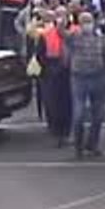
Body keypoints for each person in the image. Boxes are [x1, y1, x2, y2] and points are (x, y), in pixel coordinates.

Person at [65, 12, 105, 158]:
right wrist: (62, 22)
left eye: (89, 21)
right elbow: (63, 34)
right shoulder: (74, 37)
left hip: (98, 77)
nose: (88, 24)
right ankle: (78, 146)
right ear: (79, 24)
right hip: (79, 79)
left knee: (98, 115)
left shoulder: (100, 38)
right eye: (84, 22)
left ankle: (93, 144)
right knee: (79, 115)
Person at [33, 10, 72, 147]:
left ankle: (66, 132)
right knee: (53, 105)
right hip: (51, 73)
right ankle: (57, 133)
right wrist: (48, 69)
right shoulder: (46, 35)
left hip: (68, 73)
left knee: (67, 104)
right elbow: (40, 55)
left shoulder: (73, 33)